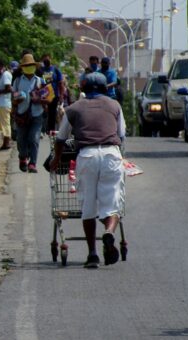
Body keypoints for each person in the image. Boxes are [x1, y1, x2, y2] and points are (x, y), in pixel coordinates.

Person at [49, 72, 126, 269]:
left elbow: (61, 138)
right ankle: (109, 232)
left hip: (87, 156)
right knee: (112, 204)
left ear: (82, 89)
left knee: (88, 207)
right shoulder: (114, 105)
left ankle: (92, 254)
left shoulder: (73, 108)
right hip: (111, 154)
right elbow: (121, 134)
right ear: (104, 89)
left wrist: (57, 160)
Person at [12, 54, 46, 173]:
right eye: (26, 66)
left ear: (34, 67)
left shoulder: (40, 81)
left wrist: (40, 99)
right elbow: (14, 97)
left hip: (37, 114)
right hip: (22, 114)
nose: (29, 68)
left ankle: (33, 163)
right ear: (22, 68)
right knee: (21, 139)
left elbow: (47, 97)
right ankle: (23, 157)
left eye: (31, 65)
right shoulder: (17, 81)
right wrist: (18, 99)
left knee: (34, 138)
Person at [40, 54, 65, 133]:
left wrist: (61, 96)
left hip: (54, 95)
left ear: (50, 59)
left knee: (52, 112)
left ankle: (51, 129)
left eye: (47, 59)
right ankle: (43, 129)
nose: (46, 60)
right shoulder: (41, 70)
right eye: (44, 59)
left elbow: (61, 83)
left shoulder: (55, 70)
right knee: (44, 112)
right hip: (44, 94)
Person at [0, 59, 13, 150]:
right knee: (4, 124)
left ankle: (7, 142)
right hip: (2, 102)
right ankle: (5, 142)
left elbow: (8, 89)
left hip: (5, 103)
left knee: (6, 123)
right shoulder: (3, 75)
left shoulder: (5, 75)